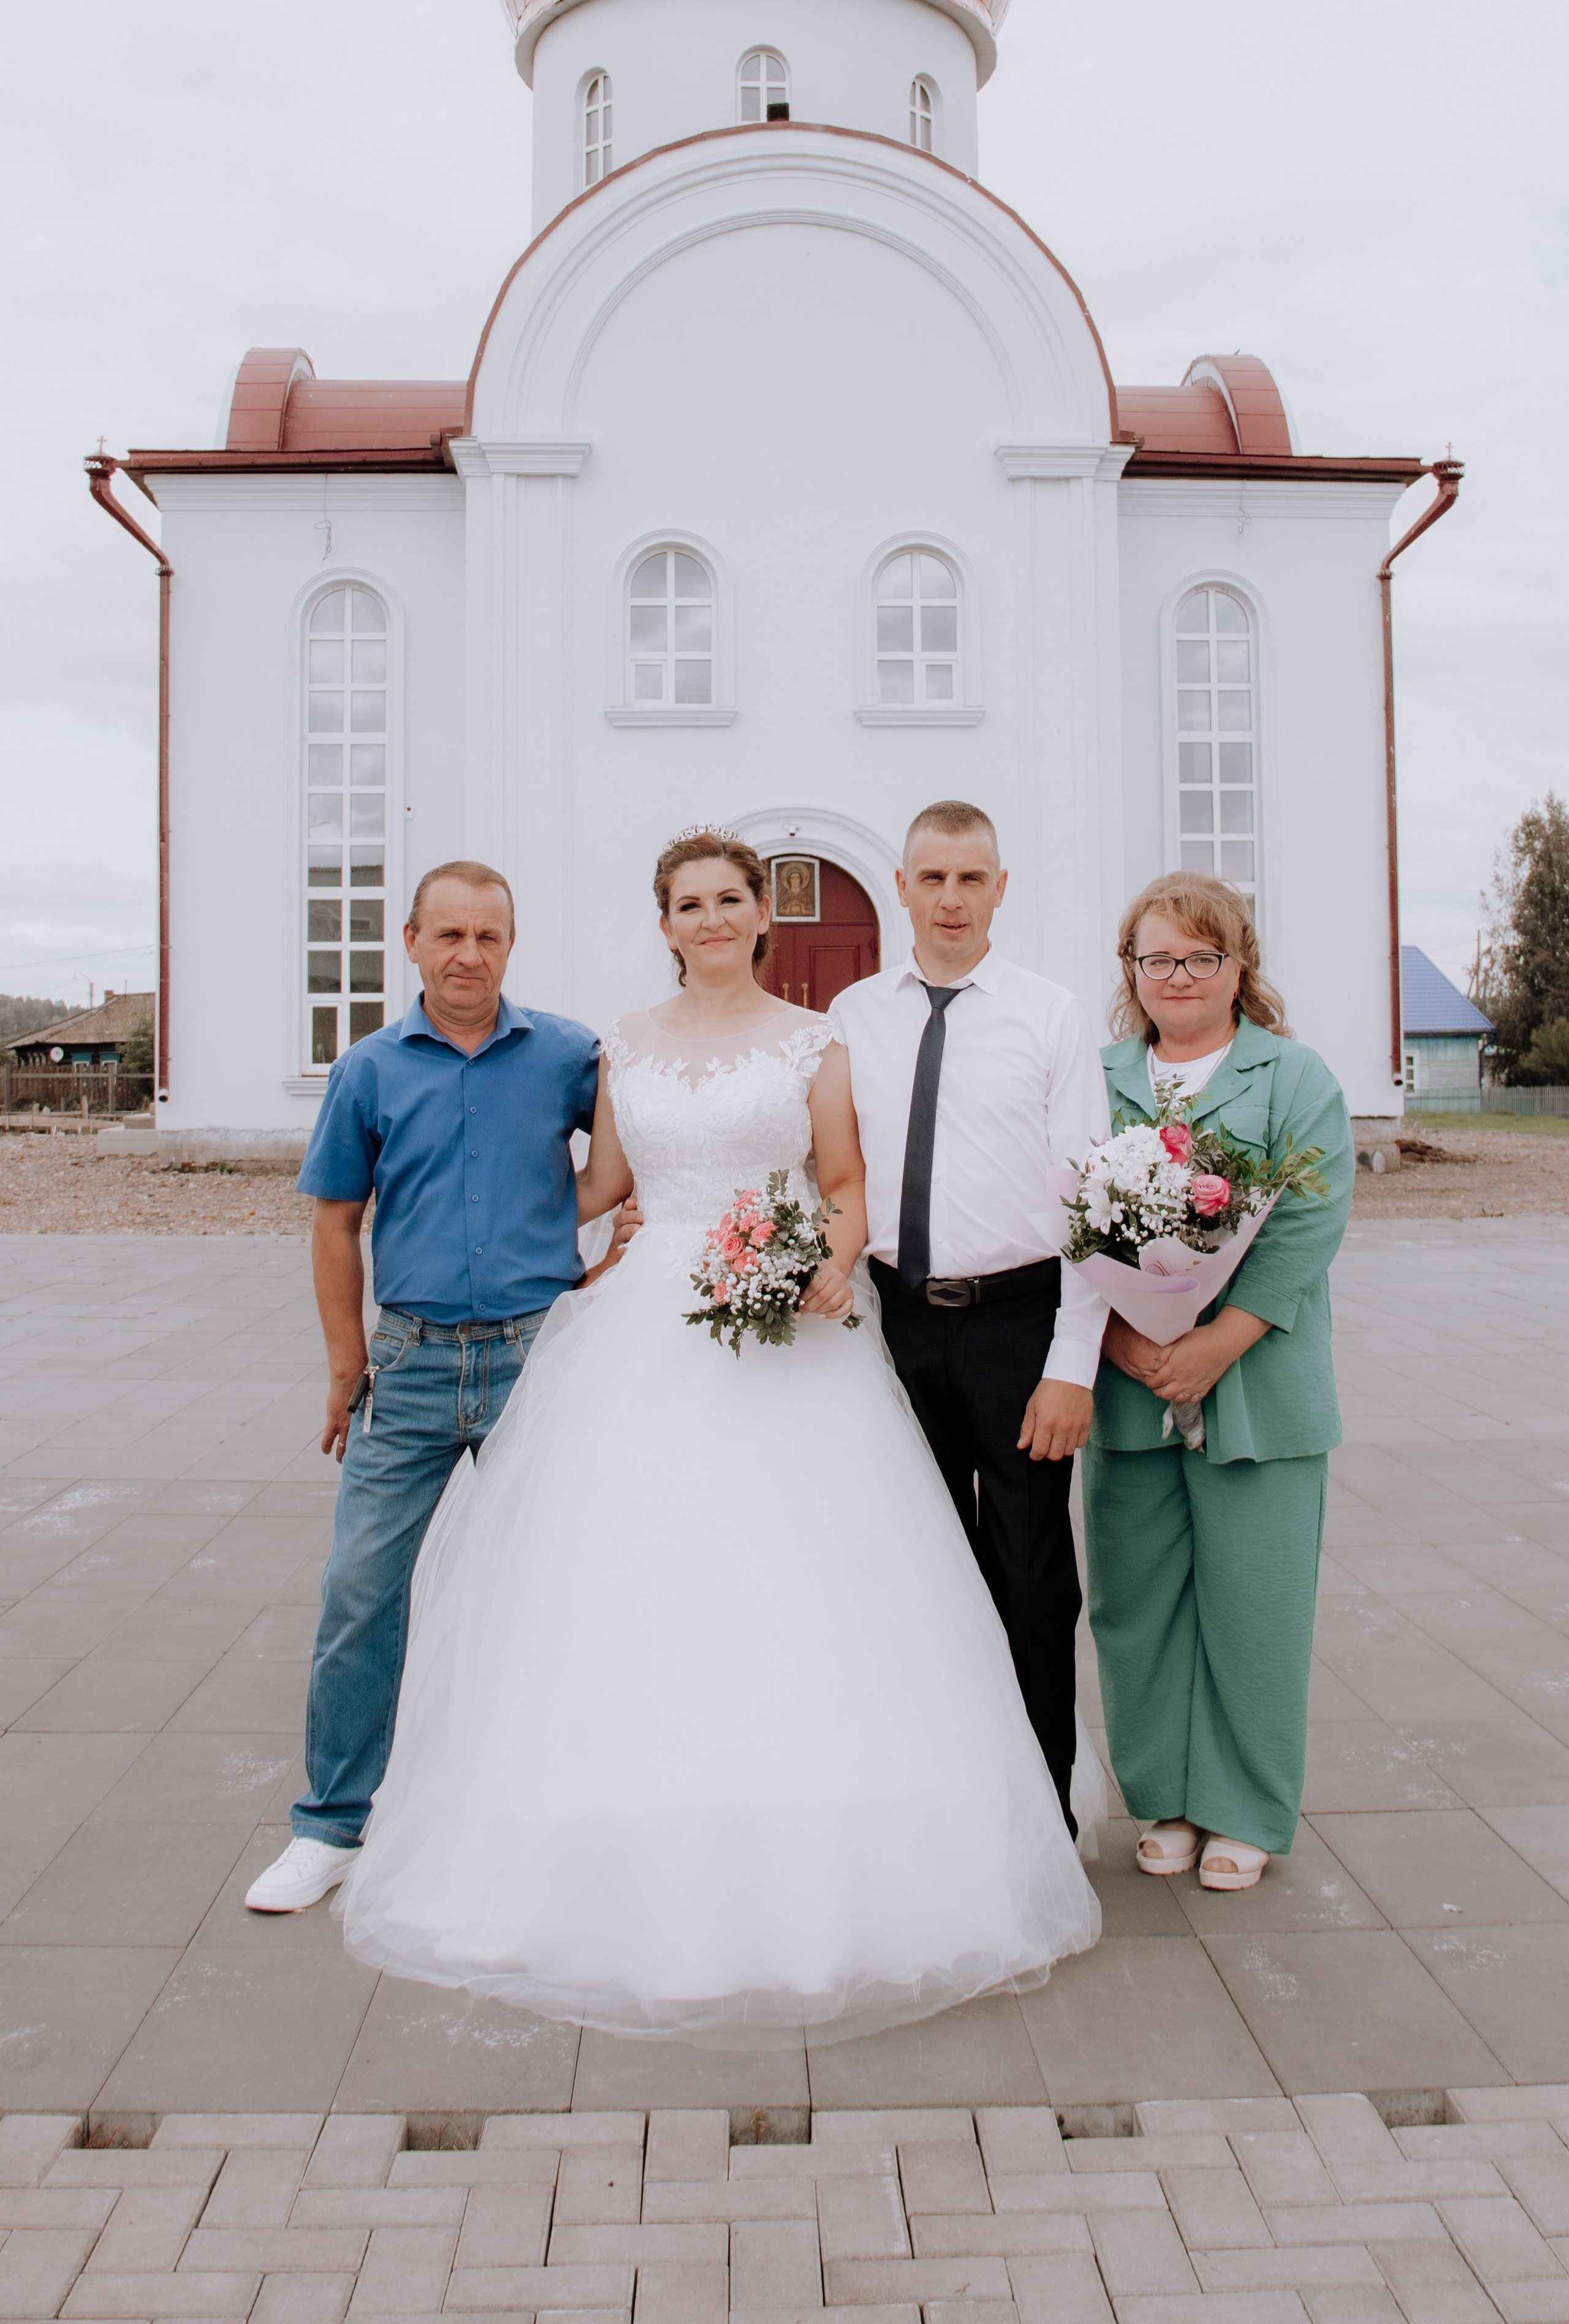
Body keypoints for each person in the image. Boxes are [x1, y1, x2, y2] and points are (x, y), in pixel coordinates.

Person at [336, 829, 1100, 2040]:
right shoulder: (620, 1046)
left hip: (785, 1328)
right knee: (627, 1583)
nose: (706, 919)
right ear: (664, 921)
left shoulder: (814, 1041)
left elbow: (843, 1185)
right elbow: (592, 1185)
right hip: (645, 1323)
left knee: (803, 1587)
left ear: (760, 918)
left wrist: (827, 1262)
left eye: (727, 900)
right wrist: (465, 1199)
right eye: (685, 903)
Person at [245, 860, 633, 1914]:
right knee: (361, 1591)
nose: (469, 955)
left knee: (551, 1592)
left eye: (489, 937)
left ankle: (552, 1808)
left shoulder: (565, 1053)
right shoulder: (369, 1070)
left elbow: (627, 1166)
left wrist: (592, 1268)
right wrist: (344, 1368)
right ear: (412, 941)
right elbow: (335, 1224)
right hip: (411, 1364)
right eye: (450, 935)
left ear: (513, 944)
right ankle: (331, 1825)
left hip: (536, 1358)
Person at [828, 802, 1111, 1831]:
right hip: (896, 1324)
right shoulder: (853, 1017)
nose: (952, 899)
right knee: (922, 1568)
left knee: (1033, 1577)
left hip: (1021, 1323)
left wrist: (1073, 1362)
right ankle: (945, 1810)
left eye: (972, 879)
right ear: (901, 886)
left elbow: (1090, 1199)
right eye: (933, 878)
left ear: (1001, 888)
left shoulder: (1049, 1015)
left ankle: (1041, 1813)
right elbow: (827, 1166)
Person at [1084, 872, 1354, 1891]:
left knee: (1256, 1604)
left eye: (1204, 957)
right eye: (1160, 959)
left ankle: (1245, 1807)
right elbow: (1058, 1217)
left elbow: (1306, 1227)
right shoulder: (1098, 1077)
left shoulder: (1295, 1077)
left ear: (1239, 968)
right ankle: (1165, 1796)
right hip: (1125, 1388)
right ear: (1133, 973)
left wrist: (1214, 1343)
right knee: (1138, 1603)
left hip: (1259, 1388)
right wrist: (1124, 1344)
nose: (1181, 977)